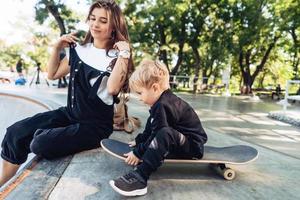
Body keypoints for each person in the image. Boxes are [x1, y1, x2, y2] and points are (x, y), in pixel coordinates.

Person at [0, 0, 133, 186]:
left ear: (114, 26)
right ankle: (3, 182)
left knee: (39, 143)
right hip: (69, 114)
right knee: (16, 132)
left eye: (103, 21)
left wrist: (124, 54)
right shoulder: (79, 50)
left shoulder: (116, 58)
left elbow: (112, 89)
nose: (95, 24)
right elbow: (53, 74)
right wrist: (57, 48)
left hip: (94, 126)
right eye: (93, 18)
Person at [109, 59, 208, 196]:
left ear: (155, 88)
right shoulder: (161, 103)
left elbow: (159, 133)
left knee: (164, 132)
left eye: (140, 93)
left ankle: (141, 177)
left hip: (192, 147)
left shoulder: (164, 104)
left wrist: (139, 152)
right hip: (180, 142)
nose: (138, 98)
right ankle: (145, 162)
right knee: (161, 129)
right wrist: (140, 141)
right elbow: (152, 125)